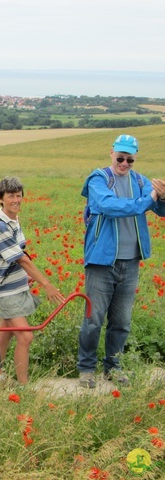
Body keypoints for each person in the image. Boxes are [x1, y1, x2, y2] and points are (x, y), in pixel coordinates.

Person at [78, 134, 165, 388]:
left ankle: (113, 367)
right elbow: (111, 207)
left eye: (129, 159)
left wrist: (163, 195)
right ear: (111, 154)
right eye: (120, 158)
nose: (124, 164)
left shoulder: (140, 181)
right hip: (102, 262)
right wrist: (148, 199)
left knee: (122, 322)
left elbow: (160, 210)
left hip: (130, 261)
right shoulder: (98, 179)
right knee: (93, 319)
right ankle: (86, 369)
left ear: (135, 158)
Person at [0, 177, 65, 385]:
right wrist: (46, 284)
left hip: (15, 287)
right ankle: (23, 386)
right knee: (25, 336)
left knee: (5, 334)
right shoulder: (0, 226)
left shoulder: (14, 220)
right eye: (10, 196)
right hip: (5, 291)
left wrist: (29, 277)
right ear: (0, 199)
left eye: (18, 195)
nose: (15, 200)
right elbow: (21, 259)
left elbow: (20, 253)